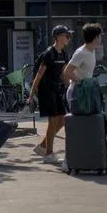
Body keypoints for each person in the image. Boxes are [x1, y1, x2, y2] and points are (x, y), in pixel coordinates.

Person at [29, 24, 71, 161]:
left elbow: (64, 75)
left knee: (63, 120)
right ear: (58, 37)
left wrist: (72, 84)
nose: (68, 38)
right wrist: (31, 95)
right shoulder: (49, 53)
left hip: (57, 90)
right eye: (66, 35)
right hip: (46, 91)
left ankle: (42, 146)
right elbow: (39, 75)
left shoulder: (64, 53)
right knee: (52, 121)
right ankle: (48, 154)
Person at [62, 23, 102, 113]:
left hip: (87, 92)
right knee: (80, 124)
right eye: (100, 36)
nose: (101, 38)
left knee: (91, 122)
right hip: (77, 93)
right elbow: (67, 72)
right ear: (96, 38)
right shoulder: (81, 53)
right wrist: (82, 83)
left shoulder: (92, 50)